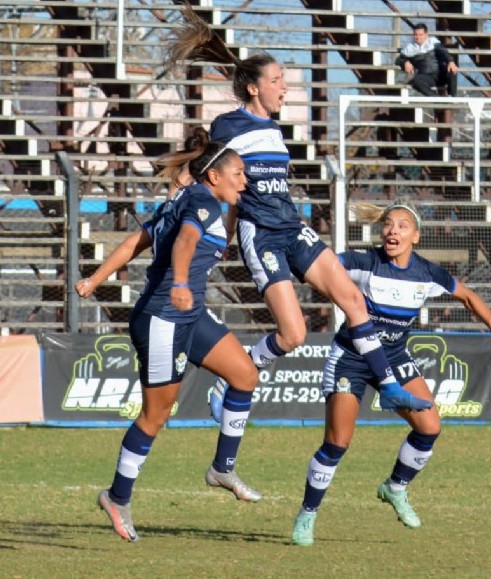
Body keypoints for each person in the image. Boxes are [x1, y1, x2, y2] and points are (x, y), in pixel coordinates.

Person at [166, 5, 431, 416]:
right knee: (293, 336)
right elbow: (207, 176)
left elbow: (252, 185)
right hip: (263, 235)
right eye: (277, 81)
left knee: (353, 301)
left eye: (284, 81)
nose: (284, 88)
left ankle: (391, 387)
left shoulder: (274, 128)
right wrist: (186, 209)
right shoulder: (229, 128)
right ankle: (230, 379)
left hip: (292, 228)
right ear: (253, 88)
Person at [290, 201, 491, 546]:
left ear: (416, 235)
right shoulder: (364, 262)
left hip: (395, 357)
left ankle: (395, 487)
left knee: (430, 426)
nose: (392, 231)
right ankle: (307, 515)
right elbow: (319, 265)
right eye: (387, 225)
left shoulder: (427, 273)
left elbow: (469, 297)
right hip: (352, 358)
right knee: (338, 441)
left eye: (400, 226)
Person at [75, 131, 261, 542]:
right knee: (155, 416)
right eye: (238, 173)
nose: (244, 180)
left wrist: (94, 280)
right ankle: (117, 497)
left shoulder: (190, 202)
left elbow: (133, 243)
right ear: (213, 177)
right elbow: (187, 241)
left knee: (245, 375)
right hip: (165, 315)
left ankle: (222, 469)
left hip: (189, 314)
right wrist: (178, 281)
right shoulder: (198, 202)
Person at [396, 23, 458, 97]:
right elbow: (399, 60)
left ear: (426, 35)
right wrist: (405, 62)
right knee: (416, 81)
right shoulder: (409, 48)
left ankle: (453, 97)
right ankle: (437, 99)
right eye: (416, 34)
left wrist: (450, 61)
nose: (418, 37)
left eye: (420, 34)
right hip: (426, 77)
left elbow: (443, 52)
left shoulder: (432, 42)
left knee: (452, 70)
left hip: (440, 74)